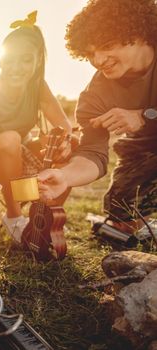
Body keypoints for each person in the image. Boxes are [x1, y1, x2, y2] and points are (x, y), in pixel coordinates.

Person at [38, 0, 157, 233]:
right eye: (90, 53)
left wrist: (144, 116)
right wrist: (65, 176)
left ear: (140, 34)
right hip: (143, 149)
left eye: (108, 45)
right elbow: (92, 153)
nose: (99, 60)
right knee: (120, 211)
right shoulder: (96, 96)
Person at [0, 11, 73, 243]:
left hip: (19, 153)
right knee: (11, 137)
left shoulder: (38, 87)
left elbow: (64, 124)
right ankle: (13, 217)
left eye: (26, 59)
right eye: (11, 59)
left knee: (71, 144)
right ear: (1, 60)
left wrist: (62, 140)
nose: (17, 67)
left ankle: (44, 216)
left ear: (37, 61)